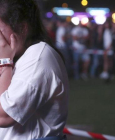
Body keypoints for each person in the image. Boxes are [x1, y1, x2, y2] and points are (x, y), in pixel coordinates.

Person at [0, 0, 69, 140]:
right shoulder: (18, 55)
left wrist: (5, 63)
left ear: (23, 28)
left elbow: (3, 116)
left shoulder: (38, 56)